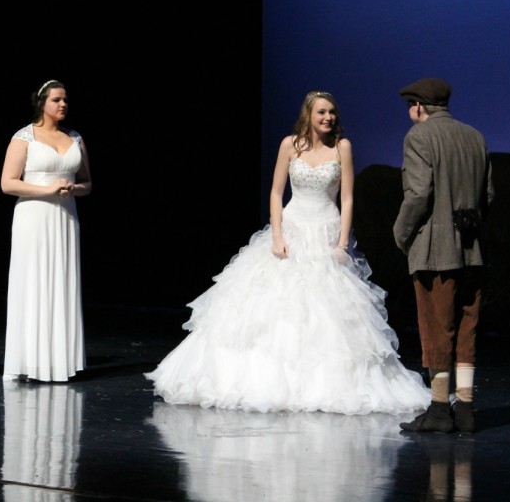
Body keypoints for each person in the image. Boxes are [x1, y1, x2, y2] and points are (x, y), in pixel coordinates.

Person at [144, 91, 431, 414]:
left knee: (326, 311)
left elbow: (347, 198)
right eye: (322, 112)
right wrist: (277, 235)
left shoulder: (342, 148)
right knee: (273, 306)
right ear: (308, 114)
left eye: (332, 112)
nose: (328, 118)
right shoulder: (289, 145)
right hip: (293, 228)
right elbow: (276, 192)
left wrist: (341, 243)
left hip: (325, 228)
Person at [393, 77, 494, 433]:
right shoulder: (475, 137)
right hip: (473, 250)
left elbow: (418, 195)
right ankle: (464, 408)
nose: (409, 112)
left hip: (436, 249)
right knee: (467, 325)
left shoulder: (419, 137)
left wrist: (401, 233)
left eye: (410, 105)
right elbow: (488, 196)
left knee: (437, 326)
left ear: (419, 105)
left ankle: (439, 409)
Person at [1, 79, 92, 383]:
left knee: (62, 282)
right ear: (42, 103)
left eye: (65, 100)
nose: (63, 104)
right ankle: (31, 361)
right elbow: (8, 183)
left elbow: (87, 184)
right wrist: (47, 189)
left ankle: (60, 361)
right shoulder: (23, 137)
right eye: (56, 100)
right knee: (35, 282)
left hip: (65, 217)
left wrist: (72, 188)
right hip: (34, 217)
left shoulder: (75, 137)